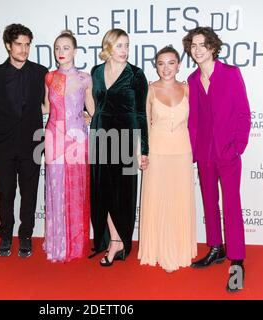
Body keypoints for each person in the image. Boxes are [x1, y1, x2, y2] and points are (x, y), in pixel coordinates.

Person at [182, 27, 251, 292]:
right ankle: (215, 248)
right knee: (209, 202)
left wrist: (238, 147)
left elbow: (244, 113)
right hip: (205, 153)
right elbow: (194, 121)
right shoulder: (192, 79)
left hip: (228, 152)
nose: (197, 50)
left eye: (202, 45)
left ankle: (237, 261)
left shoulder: (231, 74)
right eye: (193, 45)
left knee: (231, 205)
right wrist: (194, 151)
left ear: (213, 47)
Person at [0, 23, 47, 258]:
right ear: (8, 46)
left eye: (27, 44)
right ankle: (6, 236)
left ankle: (26, 236)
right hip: (3, 146)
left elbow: (52, 103)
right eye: (19, 44)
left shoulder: (41, 73)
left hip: (31, 144)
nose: (23, 49)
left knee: (30, 193)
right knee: (6, 193)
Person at [89, 28, 149, 266]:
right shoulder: (95, 72)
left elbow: (142, 114)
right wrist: (89, 115)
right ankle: (114, 240)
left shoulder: (136, 74)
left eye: (127, 45)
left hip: (125, 138)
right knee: (103, 190)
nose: (124, 50)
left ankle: (118, 240)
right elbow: (96, 102)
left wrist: (143, 149)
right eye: (119, 45)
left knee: (120, 192)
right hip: (100, 135)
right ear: (109, 47)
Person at [138, 46, 197, 272]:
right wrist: (142, 153)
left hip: (183, 152)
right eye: (161, 63)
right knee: (157, 200)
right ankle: (157, 249)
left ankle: (180, 248)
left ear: (179, 65)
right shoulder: (150, 90)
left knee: (179, 200)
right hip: (157, 153)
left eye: (171, 62)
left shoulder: (189, 89)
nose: (166, 68)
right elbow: (143, 124)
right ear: (156, 65)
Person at [42, 30, 95, 262]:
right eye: (57, 48)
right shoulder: (49, 77)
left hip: (76, 138)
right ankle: (57, 242)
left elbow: (93, 110)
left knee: (76, 189)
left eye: (65, 48)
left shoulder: (85, 78)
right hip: (54, 136)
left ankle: (74, 243)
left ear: (74, 50)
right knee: (55, 188)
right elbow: (46, 107)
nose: (61, 52)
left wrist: (89, 116)